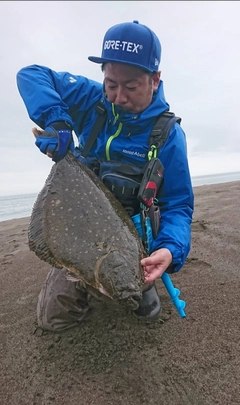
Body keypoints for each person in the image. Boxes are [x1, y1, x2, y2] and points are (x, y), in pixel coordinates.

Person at [16, 20, 194, 331]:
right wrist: (56, 120)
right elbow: (31, 75)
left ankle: (111, 282)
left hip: (131, 236)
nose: (118, 97)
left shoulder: (168, 135)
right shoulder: (92, 100)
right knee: (52, 319)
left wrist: (169, 248)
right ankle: (83, 281)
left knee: (144, 311)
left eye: (131, 87)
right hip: (82, 221)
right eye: (111, 84)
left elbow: (178, 205)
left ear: (155, 79)